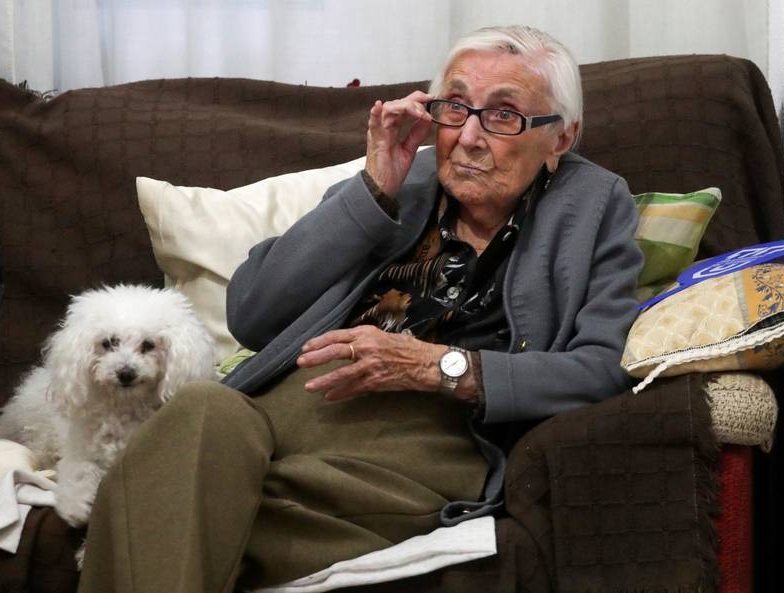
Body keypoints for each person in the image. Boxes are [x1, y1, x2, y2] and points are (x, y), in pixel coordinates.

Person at [78, 25, 643, 593]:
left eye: (502, 116)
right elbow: (250, 312)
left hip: (415, 440)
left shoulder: (593, 205)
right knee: (203, 411)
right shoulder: (402, 180)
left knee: (166, 509)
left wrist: (439, 366)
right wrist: (373, 191)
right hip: (270, 416)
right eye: (455, 106)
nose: (468, 136)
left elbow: (604, 366)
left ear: (560, 139)